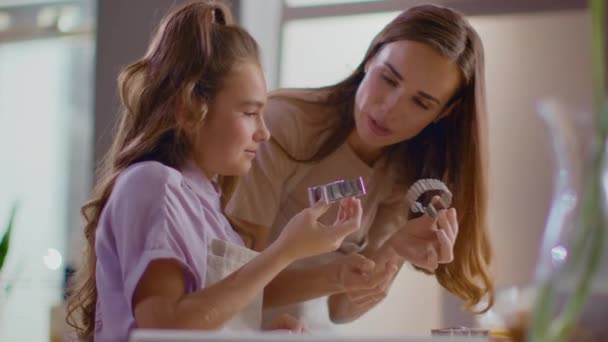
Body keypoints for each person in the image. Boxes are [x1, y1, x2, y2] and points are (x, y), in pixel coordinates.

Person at [64, 2, 364, 341]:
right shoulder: (153, 185)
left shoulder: (208, 205)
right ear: (190, 108)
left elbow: (206, 318)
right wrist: (285, 251)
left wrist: (256, 333)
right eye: (250, 112)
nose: (264, 133)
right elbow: (163, 329)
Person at [226, 4, 495, 330]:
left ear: (443, 112)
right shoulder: (283, 125)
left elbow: (342, 308)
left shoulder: (402, 175)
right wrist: (338, 275)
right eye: (389, 79)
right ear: (371, 57)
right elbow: (229, 282)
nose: (389, 108)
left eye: (421, 103)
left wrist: (395, 249)